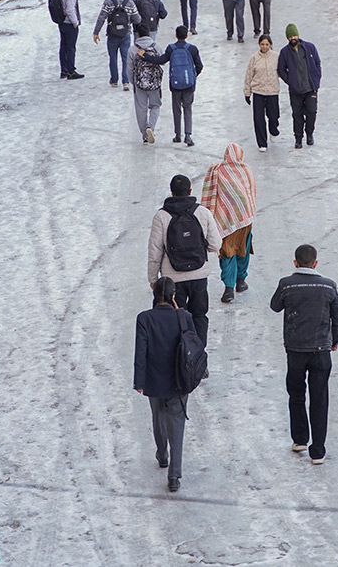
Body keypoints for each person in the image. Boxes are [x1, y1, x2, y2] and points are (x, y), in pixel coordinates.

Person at [270, 243, 338, 465]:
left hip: (295, 350)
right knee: (320, 398)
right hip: (321, 349)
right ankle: (318, 450)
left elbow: (275, 306)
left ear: (295, 263)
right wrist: (335, 340)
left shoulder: (287, 284)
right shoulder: (329, 286)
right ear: (316, 263)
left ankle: (300, 438)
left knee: (296, 394)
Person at [134, 277, 198, 492]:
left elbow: (140, 351)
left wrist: (139, 381)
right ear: (173, 296)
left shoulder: (144, 318)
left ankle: (162, 455)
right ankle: (174, 476)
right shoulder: (185, 317)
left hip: (154, 378)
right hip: (179, 379)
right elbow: (193, 347)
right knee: (177, 423)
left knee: (158, 417)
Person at [147, 174, 223, 349]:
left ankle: (181, 358)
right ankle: (199, 359)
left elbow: (154, 252)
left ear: (171, 192)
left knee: (178, 319)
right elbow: (215, 244)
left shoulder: (161, 216)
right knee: (199, 316)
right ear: (190, 191)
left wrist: (153, 279)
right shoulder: (202, 212)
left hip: (173, 278)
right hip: (199, 275)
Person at [202, 143, 257, 303]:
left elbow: (210, 193)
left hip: (224, 221)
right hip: (245, 221)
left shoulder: (218, 171)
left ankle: (228, 289)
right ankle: (240, 281)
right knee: (243, 250)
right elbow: (250, 193)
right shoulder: (247, 170)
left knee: (227, 252)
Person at [149, 24, 203, 146]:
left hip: (175, 84)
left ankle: (178, 135)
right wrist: (192, 76)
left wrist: (146, 56)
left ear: (176, 35)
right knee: (188, 108)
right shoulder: (192, 49)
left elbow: (160, 61)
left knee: (176, 108)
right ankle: (188, 135)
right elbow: (200, 66)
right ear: (187, 36)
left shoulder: (171, 48)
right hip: (189, 84)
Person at [277, 24, 322, 149]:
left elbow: (317, 63)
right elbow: (281, 69)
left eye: (294, 35)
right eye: (290, 36)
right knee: (297, 115)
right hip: (295, 91)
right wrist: (290, 81)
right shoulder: (285, 52)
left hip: (310, 88)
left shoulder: (310, 47)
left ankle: (309, 134)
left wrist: (316, 79)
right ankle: (298, 138)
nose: (293, 38)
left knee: (311, 112)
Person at [92, 0, 141, 89]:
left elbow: (101, 17)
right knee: (125, 58)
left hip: (112, 34)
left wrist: (96, 32)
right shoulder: (130, 3)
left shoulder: (108, 2)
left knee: (113, 57)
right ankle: (126, 81)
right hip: (125, 34)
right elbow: (137, 19)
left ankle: (114, 80)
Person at [127, 26, 163, 144]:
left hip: (139, 83)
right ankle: (150, 128)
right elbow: (161, 60)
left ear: (137, 35)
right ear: (149, 33)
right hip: (154, 83)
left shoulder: (133, 49)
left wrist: (134, 81)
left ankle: (144, 134)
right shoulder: (156, 47)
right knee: (155, 106)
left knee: (140, 108)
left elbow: (129, 68)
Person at [244, 34, 281, 151]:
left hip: (272, 91)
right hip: (258, 91)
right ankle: (262, 143)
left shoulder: (276, 57)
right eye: (262, 44)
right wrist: (247, 92)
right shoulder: (254, 58)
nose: (264, 47)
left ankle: (273, 130)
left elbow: (282, 71)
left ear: (270, 45)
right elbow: (249, 75)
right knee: (258, 118)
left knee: (273, 116)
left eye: (267, 44)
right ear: (259, 45)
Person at [54, 0, 83, 80]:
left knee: (64, 47)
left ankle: (64, 70)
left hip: (62, 23)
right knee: (70, 48)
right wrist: (75, 22)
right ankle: (71, 71)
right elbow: (70, 9)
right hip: (69, 24)